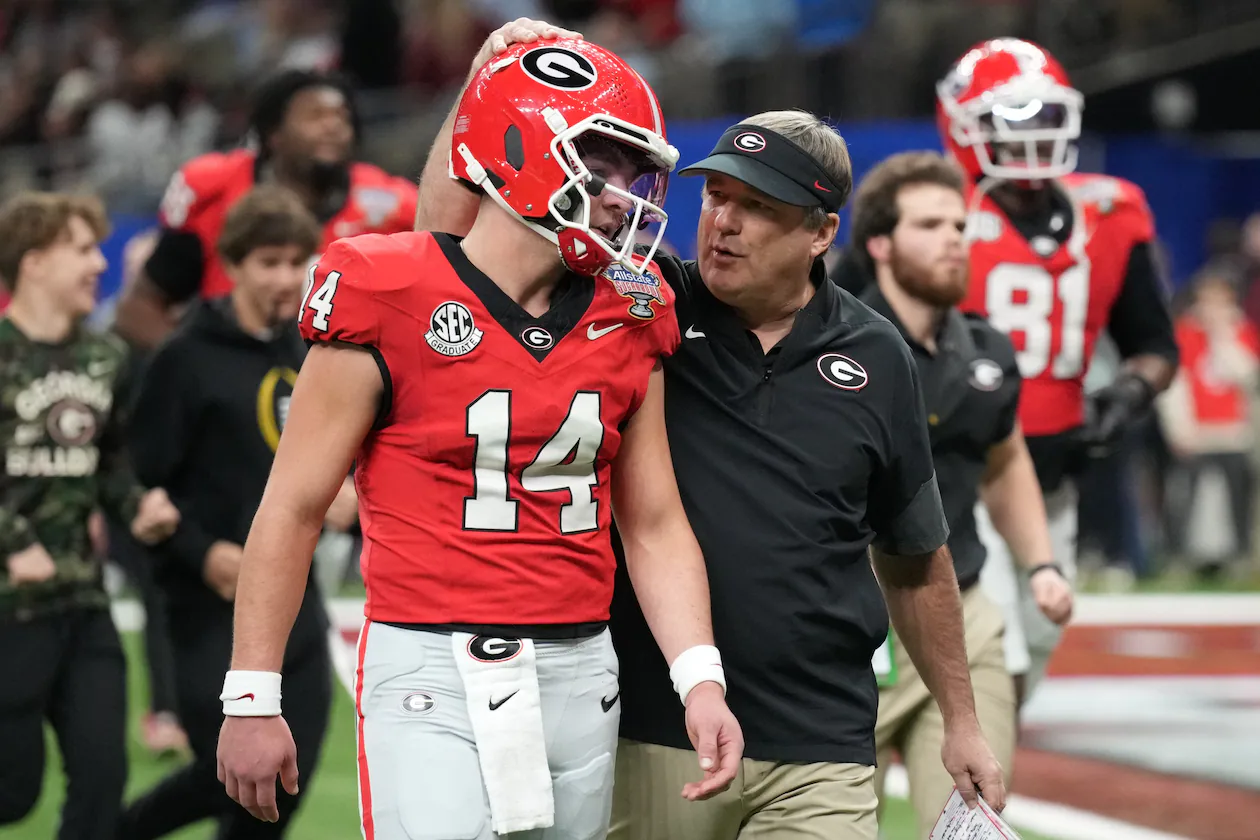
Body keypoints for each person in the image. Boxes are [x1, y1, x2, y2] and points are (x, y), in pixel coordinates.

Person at [420, 74, 1009, 837]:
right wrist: (476, 87)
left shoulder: (877, 354)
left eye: (757, 208)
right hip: (655, 726)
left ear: (821, 231)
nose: (723, 224)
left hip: (821, 741)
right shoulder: (641, 301)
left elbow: (915, 557)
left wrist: (961, 720)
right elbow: (452, 254)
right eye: (716, 198)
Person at [216, 23, 742, 840]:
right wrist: (251, 694)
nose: (622, 194)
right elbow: (291, 505)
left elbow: (653, 519)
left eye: (634, 174)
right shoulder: (387, 287)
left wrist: (699, 677)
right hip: (430, 664)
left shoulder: (635, 309)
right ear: (519, 151)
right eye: (601, 166)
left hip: (581, 667)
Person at [937, 37, 1179, 699]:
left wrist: (1125, 397)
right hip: (956, 475)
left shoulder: (1110, 213)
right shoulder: (939, 214)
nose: (1032, 137)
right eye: (1012, 121)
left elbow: (1156, 347)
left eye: (1043, 117)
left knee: (1029, 659)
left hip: (1055, 479)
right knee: (994, 660)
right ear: (963, 124)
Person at [845, 151, 1074, 838]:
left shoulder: (988, 354)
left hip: (961, 611)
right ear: (879, 243)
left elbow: (1005, 464)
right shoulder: (827, 345)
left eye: (959, 223)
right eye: (930, 224)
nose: (954, 238)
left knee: (973, 829)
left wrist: (1039, 563)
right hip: (850, 619)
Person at [115, 185, 337, 839]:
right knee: (229, 773)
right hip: (206, 610)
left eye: (299, 261)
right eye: (269, 261)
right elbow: (135, 482)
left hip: (294, 603)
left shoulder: (311, 351)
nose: (286, 278)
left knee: (281, 789)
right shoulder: (184, 357)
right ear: (233, 264)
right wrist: (199, 549)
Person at [0, 191, 181, 840]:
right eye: (82, 251)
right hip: (8, 609)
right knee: (13, 795)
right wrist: (14, 541)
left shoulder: (106, 358)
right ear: (35, 260)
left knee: (103, 781)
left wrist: (139, 506)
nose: (98, 266)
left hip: (82, 601)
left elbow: (108, 463)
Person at [112, 68, 418, 352]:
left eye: (342, 117)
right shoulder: (216, 191)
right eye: (315, 116)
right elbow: (139, 310)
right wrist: (201, 372)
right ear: (274, 134)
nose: (333, 126)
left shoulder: (392, 205)